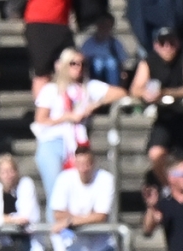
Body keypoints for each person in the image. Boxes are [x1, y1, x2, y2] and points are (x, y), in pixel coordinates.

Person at [33, 48, 121, 212]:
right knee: (56, 194)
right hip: (53, 141)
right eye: (73, 63)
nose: (78, 67)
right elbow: (41, 120)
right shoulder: (51, 89)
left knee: (73, 194)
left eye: (82, 64)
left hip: (77, 144)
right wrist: (67, 117)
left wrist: (94, 105)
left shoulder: (88, 88)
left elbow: (120, 93)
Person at [130, 27, 183, 187]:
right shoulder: (149, 60)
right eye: (163, 43)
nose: (167, 47)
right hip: (165, 118)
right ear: (156, 45)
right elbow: (135, 88)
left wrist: (164, 93)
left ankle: (179, 192)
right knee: (155, 154)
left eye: (171, 42)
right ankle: (169, 190)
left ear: (178, 43)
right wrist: (146, 94)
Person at [24, 0, 75, 96]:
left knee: (69, 67)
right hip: (38, 24)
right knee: (42, 72)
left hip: (62, 23)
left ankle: (66, 102)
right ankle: (42, 104)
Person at [79, 12, 128, 87]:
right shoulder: (88, 43)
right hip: (93, 76)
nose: (104, 28)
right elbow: (82, 60)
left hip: (112, 74)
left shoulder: (115, 43)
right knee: (98, 62)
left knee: (111, 62)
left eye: (107, 25)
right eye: (102, 24)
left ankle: (113, 88)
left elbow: (121, 63)